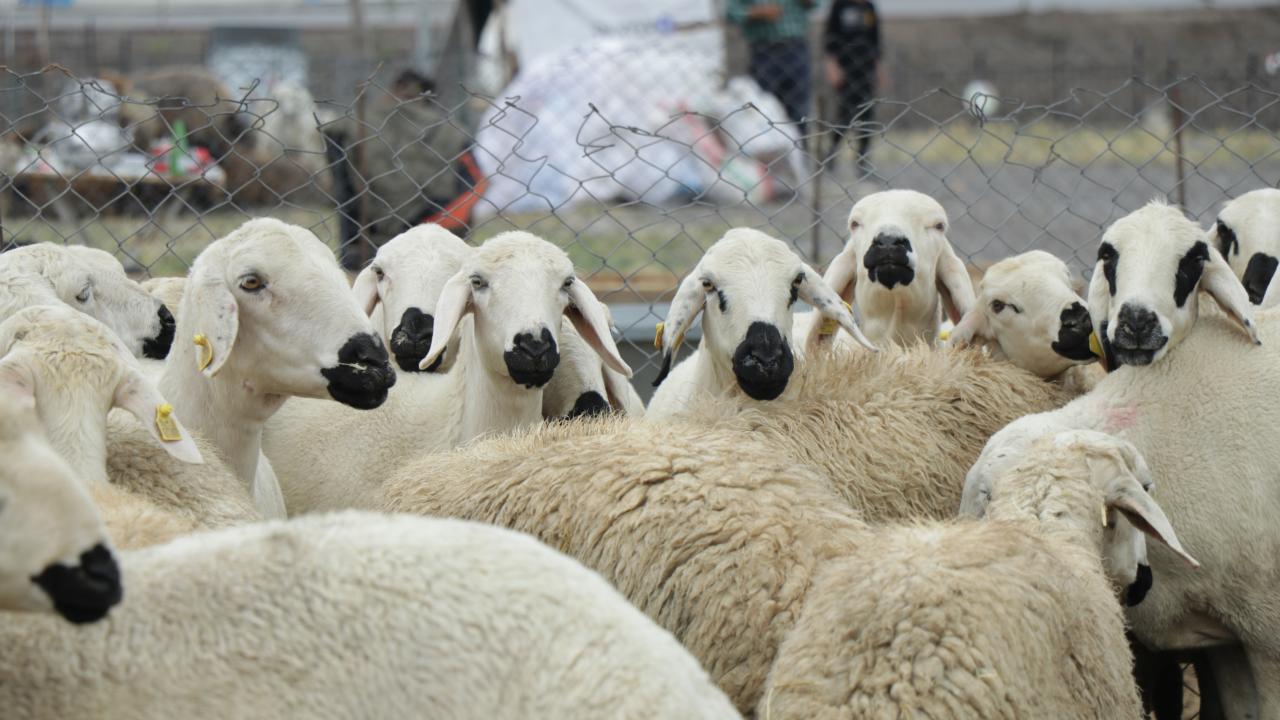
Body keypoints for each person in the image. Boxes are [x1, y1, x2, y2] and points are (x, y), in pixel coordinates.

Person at [325, 69, 485, 270]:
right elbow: (476, 185)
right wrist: (428, 226)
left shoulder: (356, 124)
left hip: (368, 243)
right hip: (431, 238)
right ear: (429, 97)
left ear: (394, 89)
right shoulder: (451, 131)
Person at [726, 0, 817, 128]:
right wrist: (758, 12)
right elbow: (731, 13)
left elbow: (817, 4)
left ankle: (799, 145)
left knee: (799, 108)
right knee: (764, 105)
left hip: (796, 47)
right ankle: (772, 143)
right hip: (764, 50)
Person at [823, 0, 881, 174]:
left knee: (867, 115)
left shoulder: (869, 8)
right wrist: (832, 66)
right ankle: (830, 156)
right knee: (844, 115)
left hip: (866, 68)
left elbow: (876, 39)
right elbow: (829, 37)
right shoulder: (840, 6)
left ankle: (862, 159)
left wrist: (878, 69)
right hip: (845, 68)